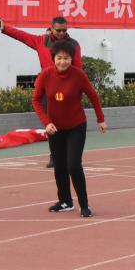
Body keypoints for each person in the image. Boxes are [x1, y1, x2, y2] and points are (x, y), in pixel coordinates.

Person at [0, 15, 82, 168]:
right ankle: (55, 157)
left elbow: (78, 68)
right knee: (51, 125)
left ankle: (73, 157)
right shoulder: (41, 41)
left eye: (64, 30)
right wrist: (4, 27)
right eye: (58, 30)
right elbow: (22, 36)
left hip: (67, 90)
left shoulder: (73, 45)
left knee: (70, 125)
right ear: (51, 29)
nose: (62, 33)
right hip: (48, 89)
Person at [32, 40, 107, 217]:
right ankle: (65, 202)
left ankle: (84, 205)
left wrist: (100, 119)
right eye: (59, 58)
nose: (62, 62)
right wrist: (46, 122)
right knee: (59, 166)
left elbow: (93, 96)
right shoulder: (46, 75)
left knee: (73, 165)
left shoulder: (78, 75)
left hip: (76, 126)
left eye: (66, 58)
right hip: (55, 129)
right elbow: (36, 100)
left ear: (72, 59)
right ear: (53, 58)